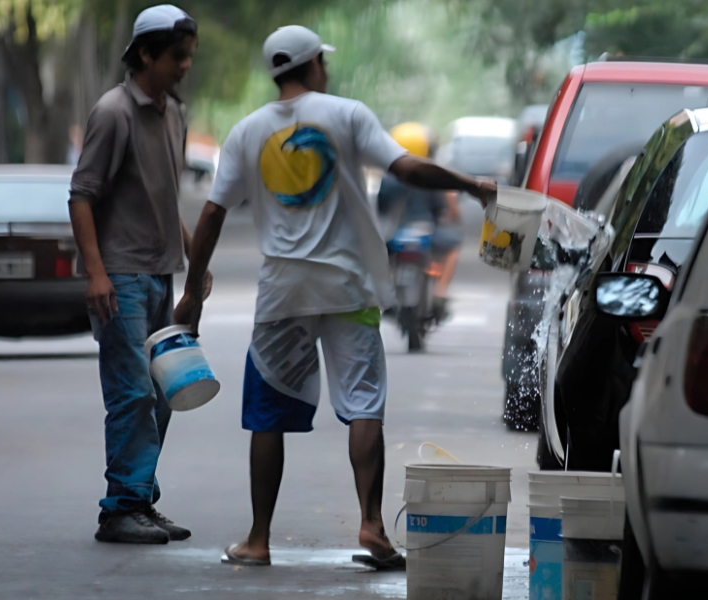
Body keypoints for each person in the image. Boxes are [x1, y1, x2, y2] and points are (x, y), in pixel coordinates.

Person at [172, 25, 495, 568]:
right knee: (364, 402)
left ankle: (257, 539)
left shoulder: (247, 132)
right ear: (314, 64)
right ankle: (371, 524)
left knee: (267, 414)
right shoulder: (347, 114)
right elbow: (407, 168)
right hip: (348, 286)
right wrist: (470, 184)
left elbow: (211, 213)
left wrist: (192, 292)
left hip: (282, 292)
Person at [68, 4, 204, 544]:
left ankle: (140, 497)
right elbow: (82, 197)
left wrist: (196, 255)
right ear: (145, 53)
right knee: (132, 394)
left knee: (164, 389)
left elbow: (164, 194)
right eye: (177, 56)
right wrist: (96, 273)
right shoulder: (114, 112)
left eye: (188, 56)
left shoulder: (175, 113)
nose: (184, 66)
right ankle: (120, 507)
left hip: (160, 273)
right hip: (120, 277)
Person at [377, 122, 463, 323]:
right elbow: (440, 210)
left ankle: (386, 291)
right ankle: (440, 292)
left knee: (379, 257)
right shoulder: (430, 177)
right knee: (453, 248)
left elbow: (380, 207)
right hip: (426, 235)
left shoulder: (389, 178)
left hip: (395, 237)